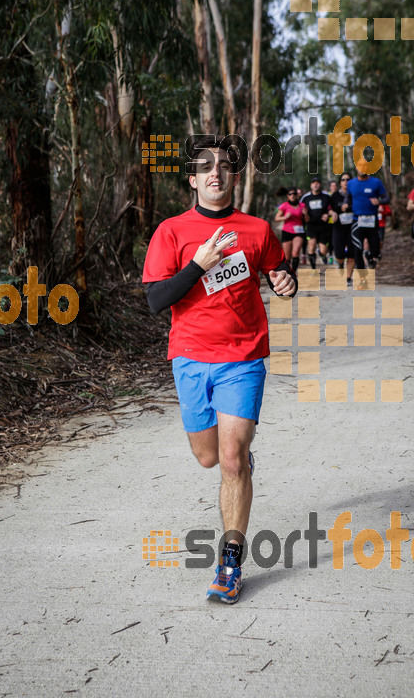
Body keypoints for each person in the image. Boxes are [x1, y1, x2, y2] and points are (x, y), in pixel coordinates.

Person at [143, 135, 297, 604]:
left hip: (244, 356)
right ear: (192, 179)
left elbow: (278, 274)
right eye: (205, 167)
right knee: (208, 457)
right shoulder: (171, 232)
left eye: (225, 166)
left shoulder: (257, 230)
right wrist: (197, 265)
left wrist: (286, 284)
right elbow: (156, 300)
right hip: (190, 357)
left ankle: (230, 562)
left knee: (230, 460)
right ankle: (237, 459)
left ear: (234, 176)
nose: (216, 172)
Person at [347, 161, 390, 289]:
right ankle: (362, 279)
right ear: (356, 168)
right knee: (357, 250)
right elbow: (348, 199)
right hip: (357, 221)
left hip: (372, 220)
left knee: (376, 250)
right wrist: (345, 205)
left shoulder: (376, 183)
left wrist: (380, 201)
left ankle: (371, 258)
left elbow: (387, 198)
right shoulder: (351, 183)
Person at [328, 171, 354, 285]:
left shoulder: (355, 194)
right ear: (340, 183)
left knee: (352, 254)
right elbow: (328, 208)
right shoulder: (335, 196)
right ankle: (340, 264)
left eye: (348, 179)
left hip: (353, 228)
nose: (346, 182)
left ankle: (348, 278)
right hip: (338, 228)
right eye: (343, 180)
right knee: (339, 254)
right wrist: (332, 213)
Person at [301, 176, 331, 269]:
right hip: (311, 225)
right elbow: (301, 209)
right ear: (311, 185)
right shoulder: (306, 198)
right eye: (314, 183)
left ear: (320, 185)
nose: (316, 185)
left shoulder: (326, 196)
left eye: (317, 183)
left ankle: (322, 255)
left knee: (323, 251)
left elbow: (330, 209)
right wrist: (304, 215)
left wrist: (328, 215)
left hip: (323, 226)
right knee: (311, 245)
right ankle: (313, 269)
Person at [275, 187, 306, 272]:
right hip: (287, 231)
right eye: (290, 194)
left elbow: (307, 220)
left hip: (299, 232)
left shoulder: (302, 205)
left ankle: (294, 273)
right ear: (287, 196)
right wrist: (285, 217)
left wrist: (306, 214)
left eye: (294, 194)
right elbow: (277, 218)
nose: (292, 196)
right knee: (287, 257)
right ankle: (288, 272)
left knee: (295, 252)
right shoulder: (284, 205)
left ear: (297, 195)